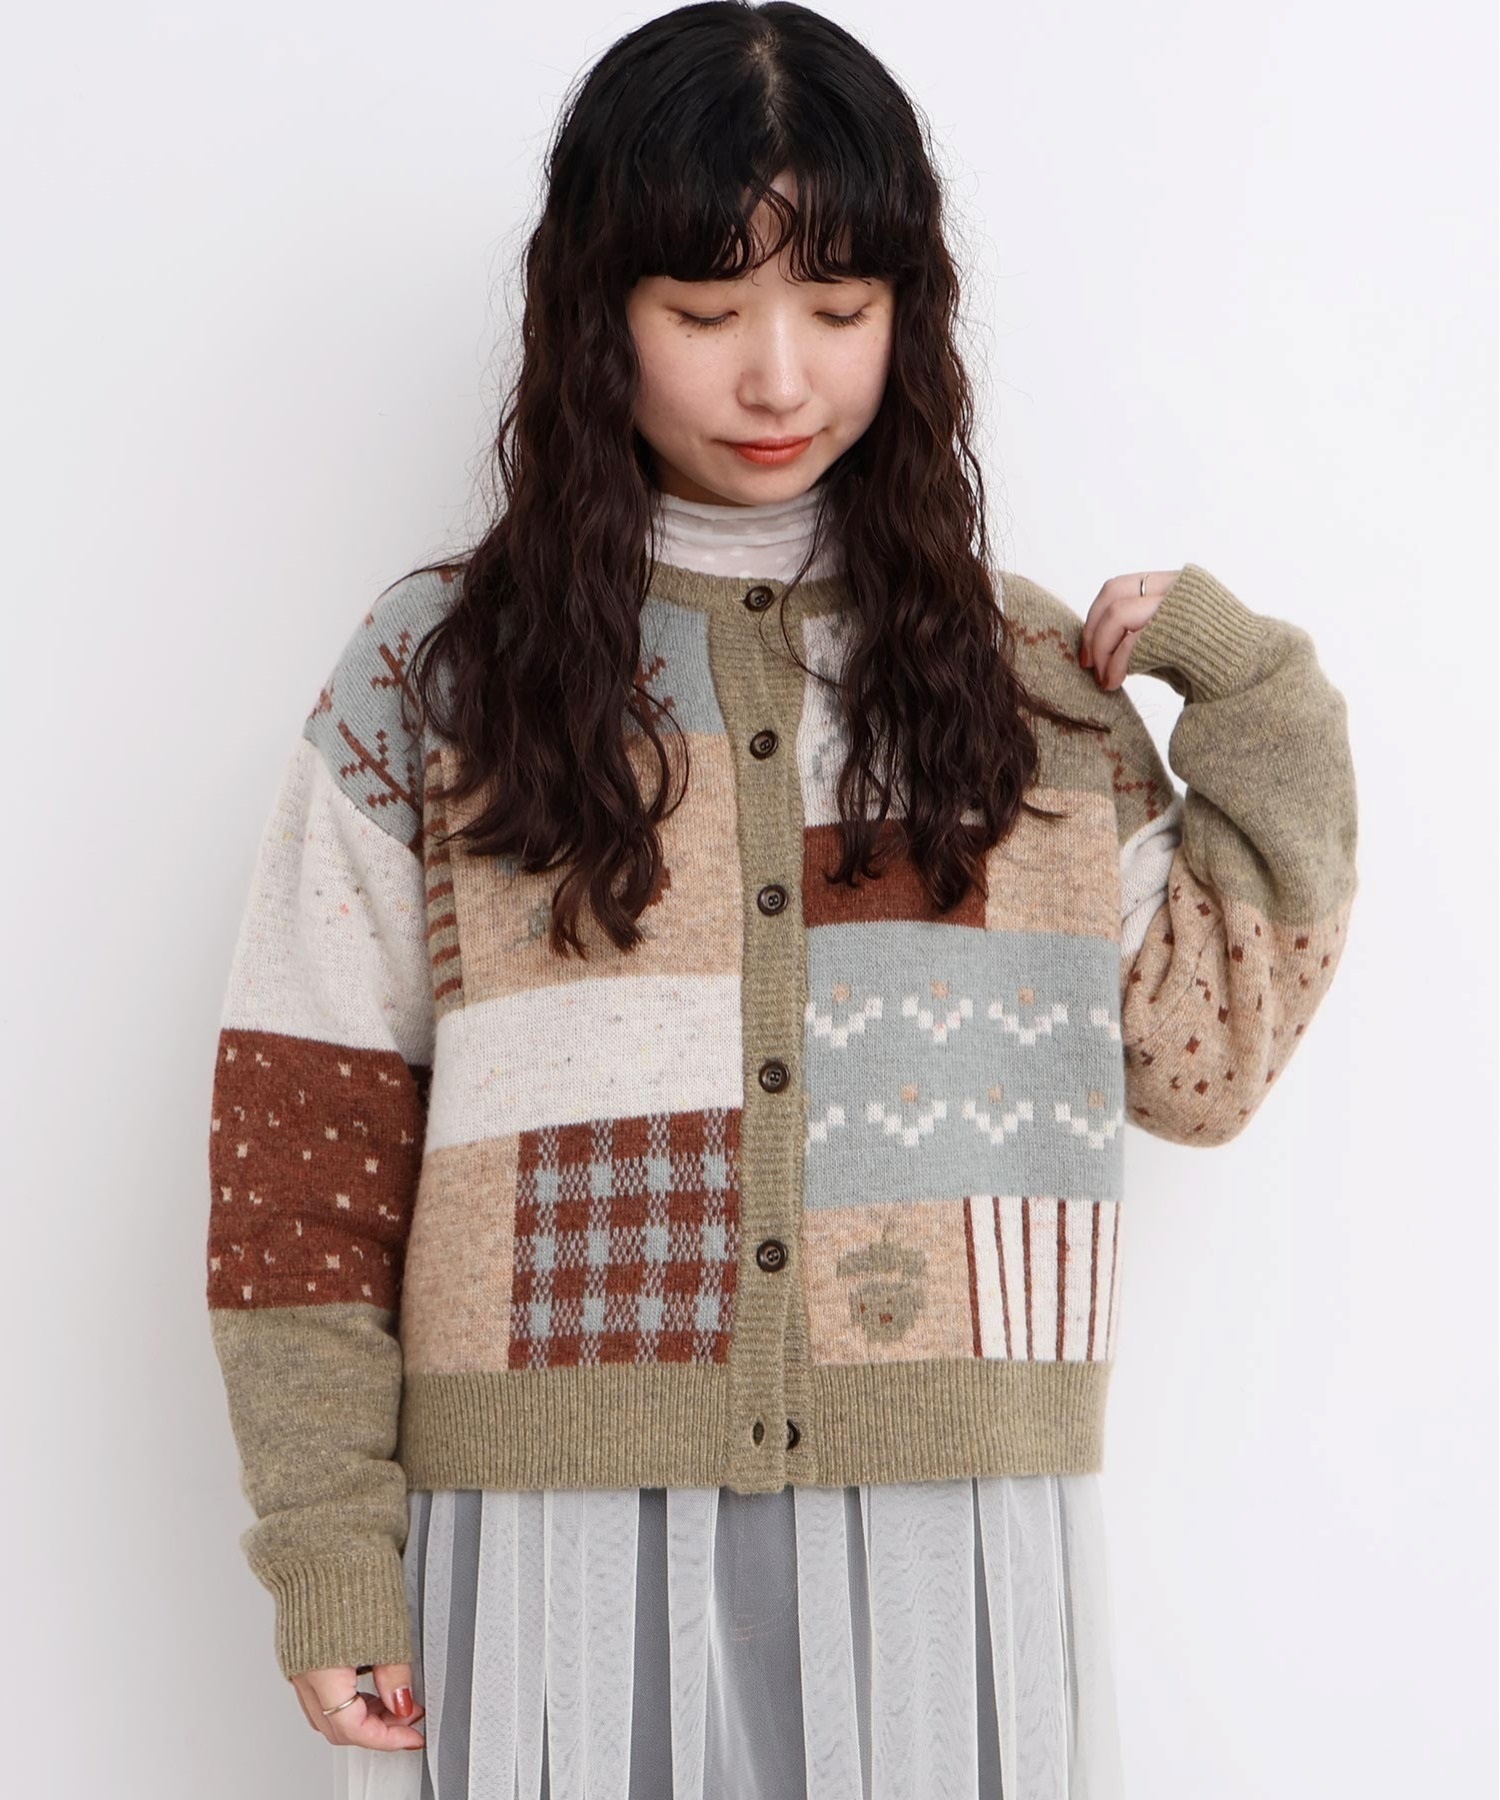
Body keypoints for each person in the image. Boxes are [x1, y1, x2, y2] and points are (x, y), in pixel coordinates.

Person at [203, 5, 1359, 1796]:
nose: (777, 380)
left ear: (912, 314)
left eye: (838, 310)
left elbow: (1200, 1066)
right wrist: (328, 1543)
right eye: (701, 313)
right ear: (595, 313)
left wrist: (1262, 701)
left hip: (944, 1543)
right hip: (554, 1537)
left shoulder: (1022, 687)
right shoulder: (445, 676)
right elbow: (307, 1144)